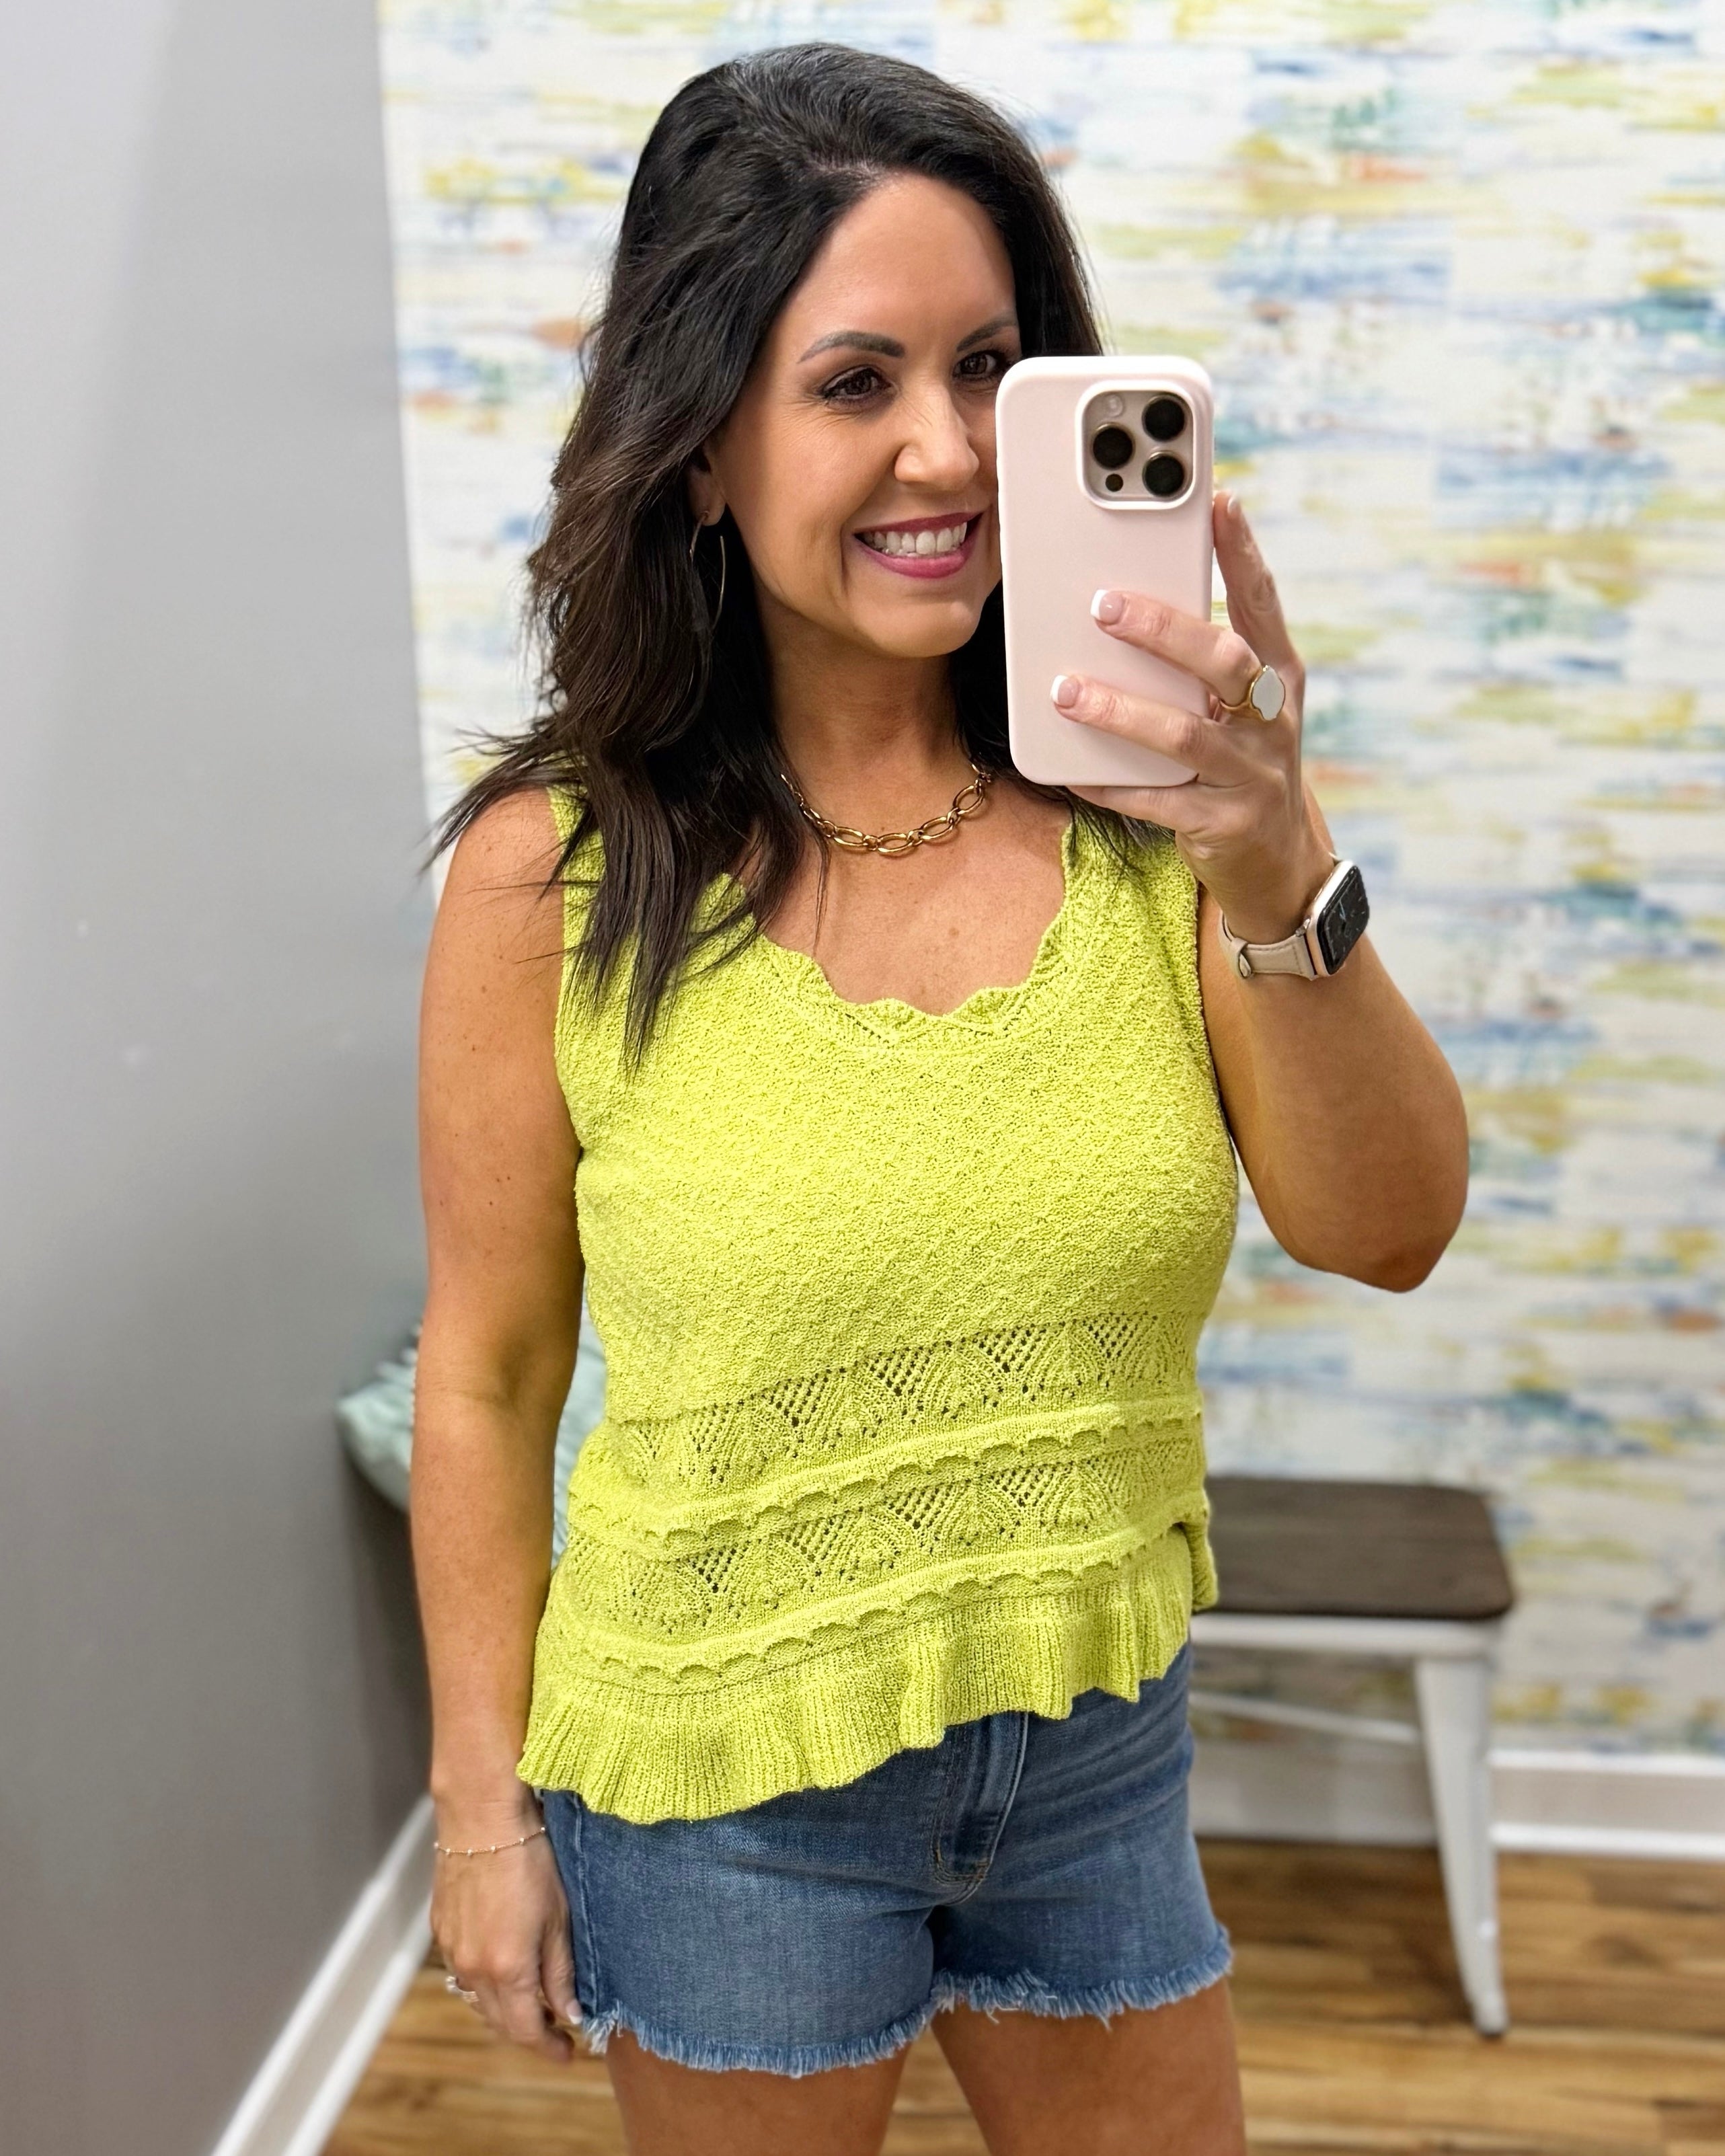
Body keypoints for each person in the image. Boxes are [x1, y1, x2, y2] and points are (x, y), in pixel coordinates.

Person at [410, 42, 1468, 2156]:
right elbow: (489, 1371)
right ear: (697, 453)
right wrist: (478, 1811)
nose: (953, 449)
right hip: (722, 1783)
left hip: (1093, 1748)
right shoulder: (558, 873)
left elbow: (1387, 1231)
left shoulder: (1160, 819)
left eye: (993, 368)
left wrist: (1275, 849)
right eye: (855, 381)